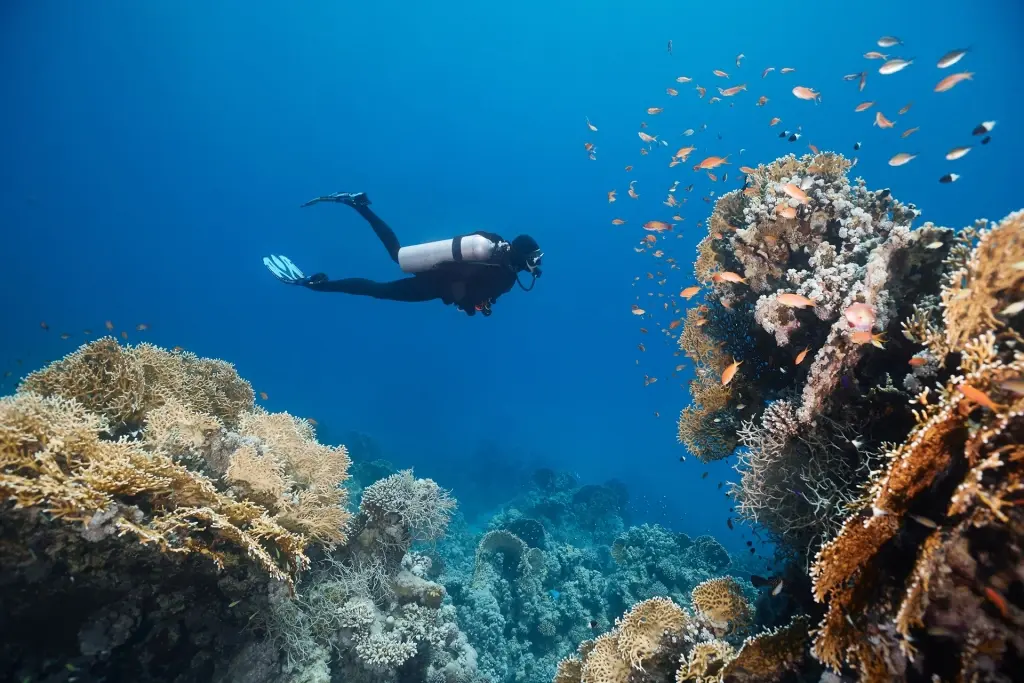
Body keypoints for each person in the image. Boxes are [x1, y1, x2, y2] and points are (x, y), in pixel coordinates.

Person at [263, 192, 542, 317]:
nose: (536, 265)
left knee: (396, 254)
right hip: (434, 285)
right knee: (379, 290)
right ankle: (317, 284)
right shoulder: (506, 277)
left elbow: (471, 244)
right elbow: (468, 295)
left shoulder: (495, 243)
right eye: (535, 258)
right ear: (524, 256)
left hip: (437, 267)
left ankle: (358, 205)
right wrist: (472, 307)